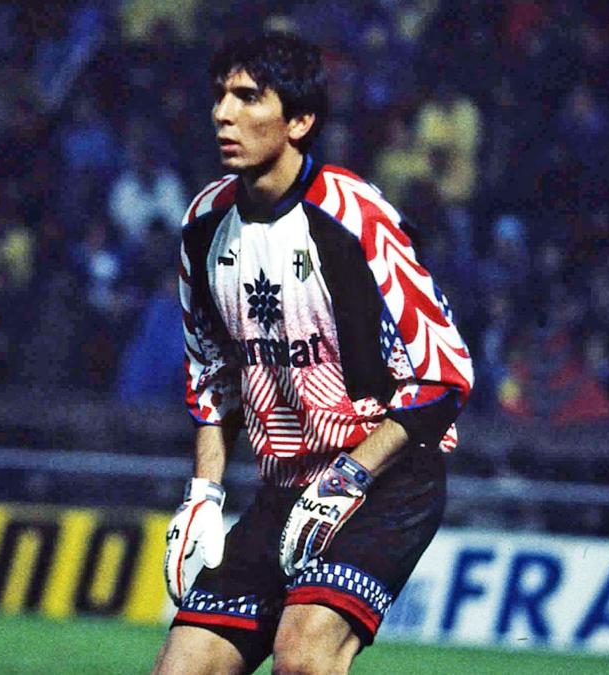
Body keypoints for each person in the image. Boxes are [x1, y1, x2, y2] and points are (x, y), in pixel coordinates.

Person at [153, 33, 473, 675]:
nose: (223, 113)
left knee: (303, 655)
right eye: (220, 95)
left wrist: (351, 475)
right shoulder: (203, 224)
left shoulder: (355, 216)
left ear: (299, 122)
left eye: (248, 97)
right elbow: (211, 376)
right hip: (285, 488)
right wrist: (204, 494)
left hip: (385, 479)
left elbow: (446, 374)